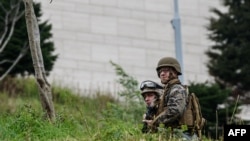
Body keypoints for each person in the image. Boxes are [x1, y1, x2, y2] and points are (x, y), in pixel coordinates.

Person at [143, 57, 199, 141]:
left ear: (175, 72)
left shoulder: (177, 89)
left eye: (165, 70)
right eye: (160, 71)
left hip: (183, 135)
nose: (162, 74)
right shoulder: (167, 91)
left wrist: (155, 122)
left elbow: (174, 111)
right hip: (174, 134)